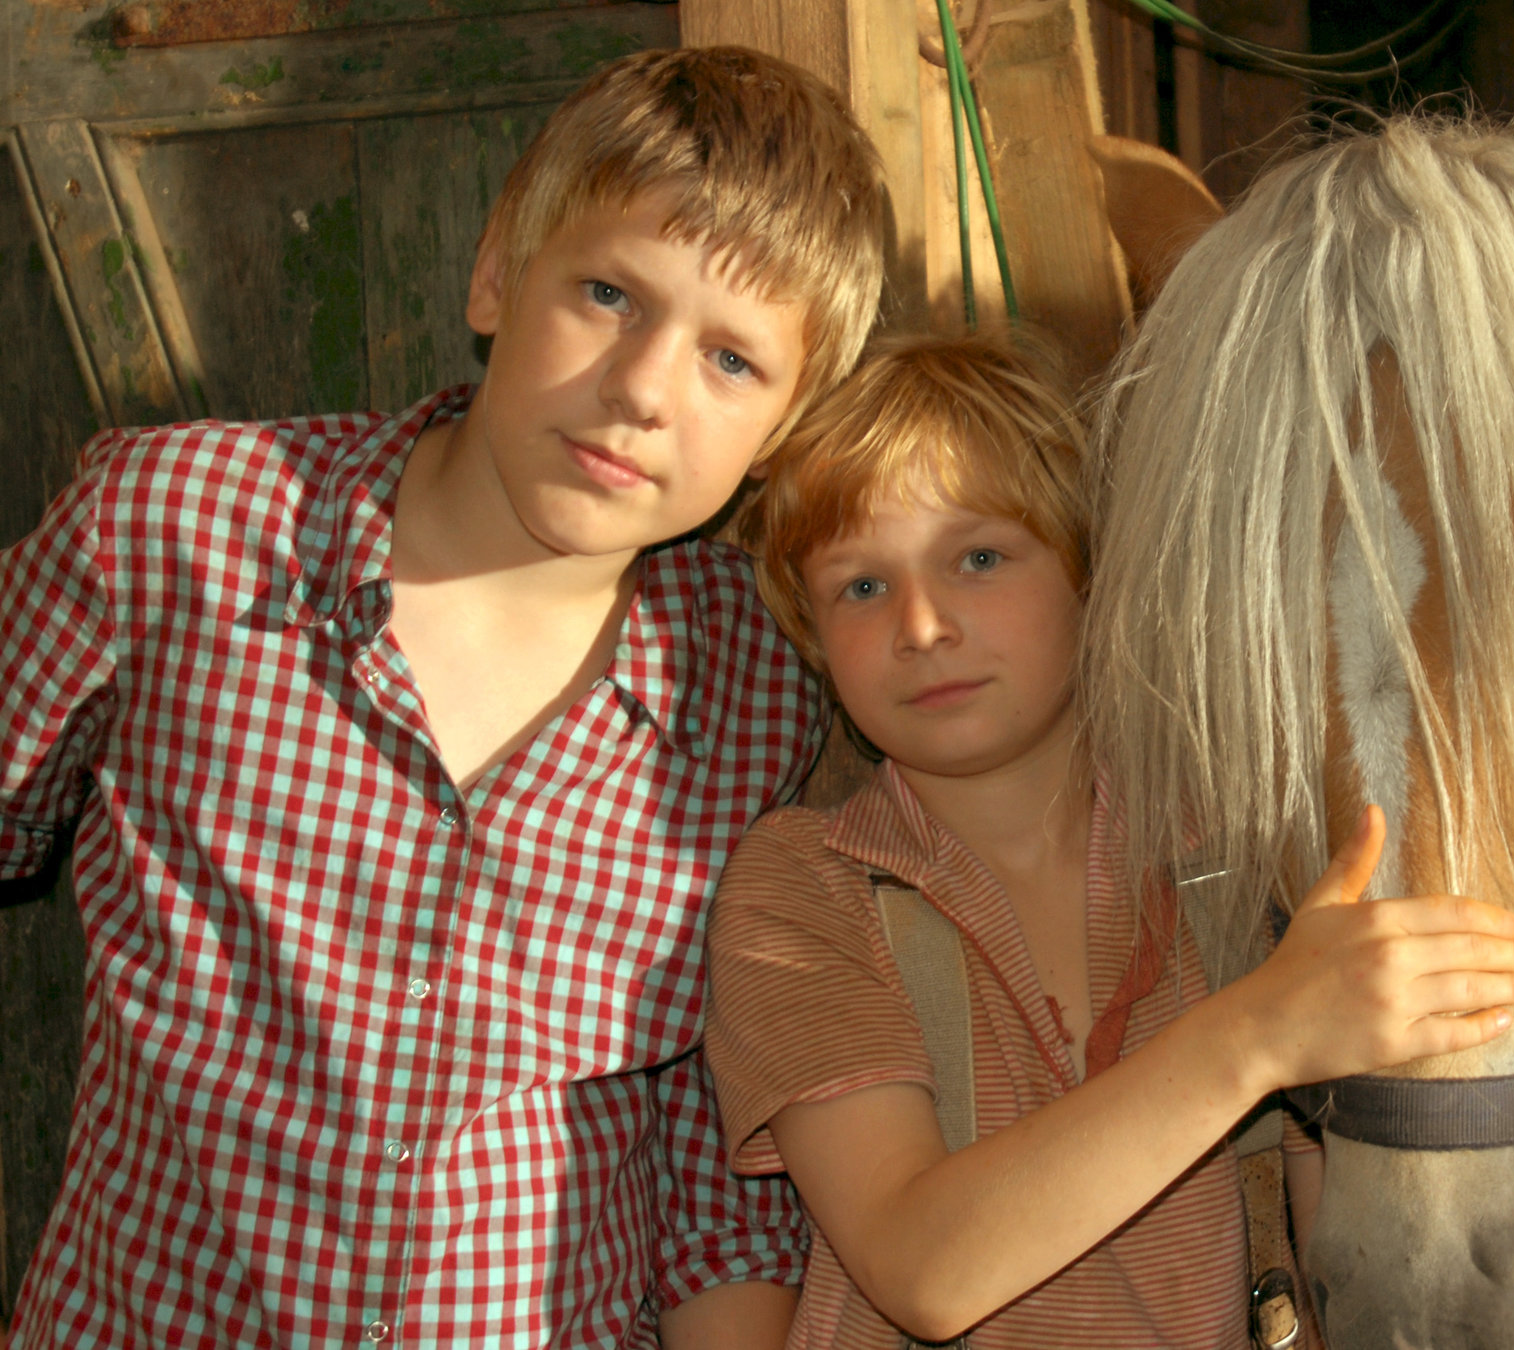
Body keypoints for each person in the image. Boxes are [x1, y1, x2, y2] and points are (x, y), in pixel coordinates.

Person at [0, 47, 882, 1348]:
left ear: (787, 431)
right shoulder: (173, 534)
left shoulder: (761, 680)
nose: (642, 390)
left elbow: (711, 1147)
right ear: (495, 274)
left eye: (732, 361)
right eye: (608, 294)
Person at [706, 331, 1514, 1349]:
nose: (921, 626)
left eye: (979, 559)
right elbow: (920, 1266)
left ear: (1089, 573)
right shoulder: (805, 887)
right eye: (861, 586)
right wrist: (1258, 1032)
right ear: (810, 631)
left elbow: (1335, 1251)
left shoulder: (1236, 858)